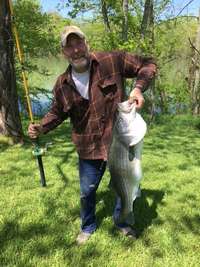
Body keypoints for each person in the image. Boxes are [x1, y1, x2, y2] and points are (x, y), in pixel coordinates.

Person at [28, 25, 157, 245]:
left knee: (121, 185)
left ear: (87, 44)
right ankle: (87, 226)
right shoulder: (62, 83)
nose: (76, 50)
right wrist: (42, 127)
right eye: (69, 47)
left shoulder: (111, 60)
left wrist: (137, 88)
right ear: (63, 52)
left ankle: (123, 221)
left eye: (79, 43)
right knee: (87, 193)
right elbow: (57, 112)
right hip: (88, 147)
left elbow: (148, 64)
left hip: (119, 143)